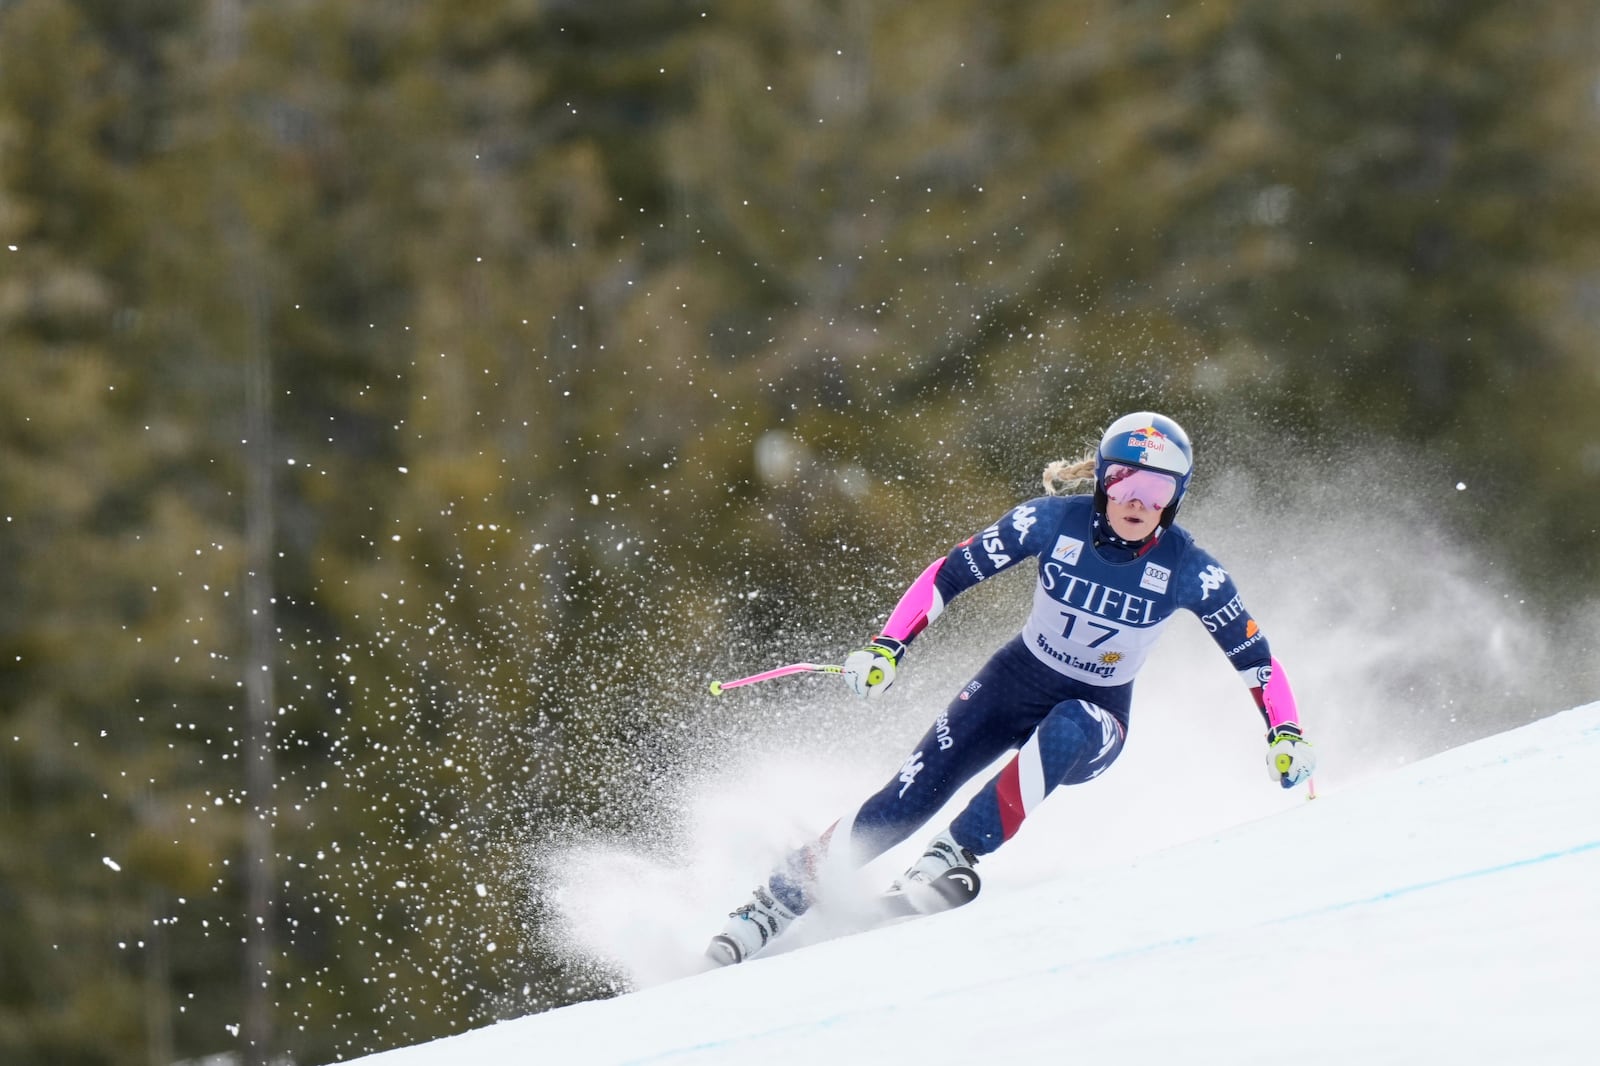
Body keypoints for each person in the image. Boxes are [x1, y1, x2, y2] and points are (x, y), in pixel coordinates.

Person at [705, 411, 1317, 965]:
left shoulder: (1191, 569)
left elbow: (1256, 660)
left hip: (1099, 716)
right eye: (1126, 482)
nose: (1137, 501)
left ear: (1174, 501)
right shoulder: (1051, 522)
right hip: (1012, 682)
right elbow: (951, 571)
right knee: (903, 804)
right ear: (1102, 481)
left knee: (1070, 722)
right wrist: (889, 646)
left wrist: (1284, 732)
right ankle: (771, 905)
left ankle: (953, 854)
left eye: (1157, 491)